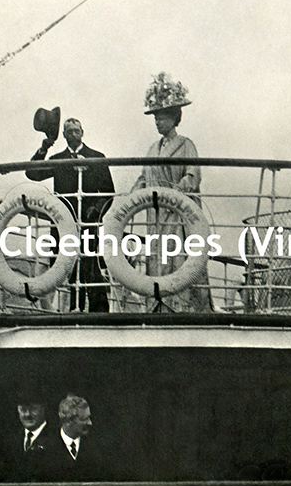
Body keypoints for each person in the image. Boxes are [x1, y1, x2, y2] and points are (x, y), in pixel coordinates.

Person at [131, 72, 211, 313]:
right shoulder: (151, 149)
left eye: (163, 118)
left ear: (174, 119)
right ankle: (157, 304)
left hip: (177, 215)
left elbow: (193, 174)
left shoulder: (186, 145)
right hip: (155, 216)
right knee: (156, 256)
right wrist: (130, 199)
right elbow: (144, 177)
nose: (158, 123)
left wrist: (178, 190)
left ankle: (182, 305)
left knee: (179, 256)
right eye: (155, 118)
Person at [27, 111, 116, 312]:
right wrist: (44, 148)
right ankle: (73, 311)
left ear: (82, 132)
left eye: (77, 130)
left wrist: (97, 211)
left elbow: (109, 192)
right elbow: (32, 173)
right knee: (68, 267)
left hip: (89, 221)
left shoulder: (97, 157)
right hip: (64, 222)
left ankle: (99, 312)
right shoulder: (58, 160)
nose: (74, 134)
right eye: (69, 132)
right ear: (65, 135)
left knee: (91, 265)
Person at [41, 394, 107, 481]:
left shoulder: (97, 449)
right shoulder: (44, 449)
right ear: (68, 421)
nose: (90, 423)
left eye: (89, 418)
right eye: (84, 419)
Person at [7, 387, 55, 482]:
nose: (27, 414)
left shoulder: (56, 437)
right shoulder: (11, 439)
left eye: (33, 409)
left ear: (43, 408)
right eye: (23, 410)